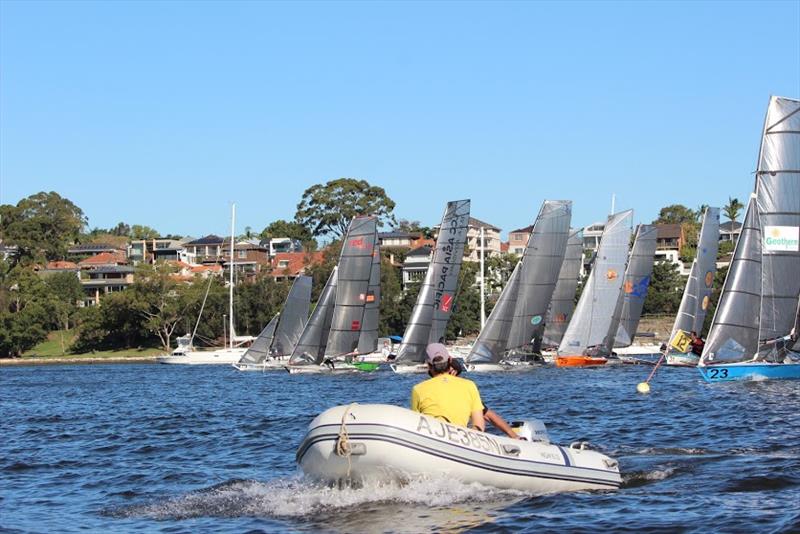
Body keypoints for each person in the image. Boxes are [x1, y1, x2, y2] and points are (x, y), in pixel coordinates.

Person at [411, 343, 485, 431]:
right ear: (450, 360)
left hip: (433, 439)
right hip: (460, 440)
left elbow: (416, 425)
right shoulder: (470, 385)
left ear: (428, 365)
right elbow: (479, 425)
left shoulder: (418, 389)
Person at [448, 358, 520, 440]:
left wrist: (513, 435)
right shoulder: (433, 386)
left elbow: (488, 416)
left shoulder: (464, 390)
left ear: (454, 372)